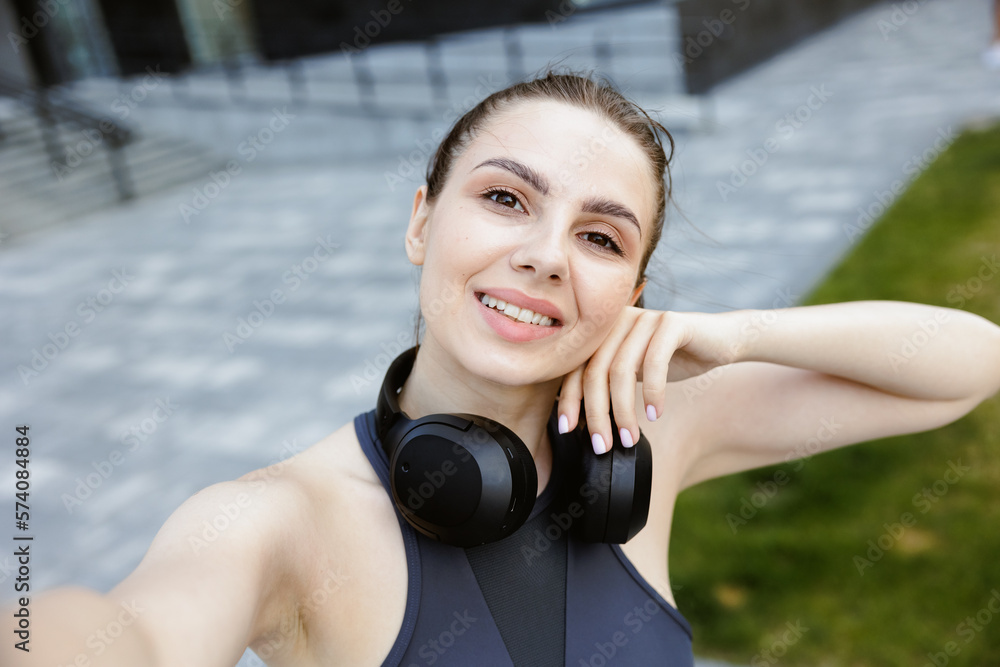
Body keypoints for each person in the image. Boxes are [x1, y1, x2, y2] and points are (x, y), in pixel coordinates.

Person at [6, 69, 1000, 667]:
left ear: (633, 287)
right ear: (420, 221)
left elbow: (967, 366)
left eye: (602, 238)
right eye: (507, 199)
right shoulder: (273, 520)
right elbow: (123, 633)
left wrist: (735, 335)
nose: (548, 254)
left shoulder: (645, 433)